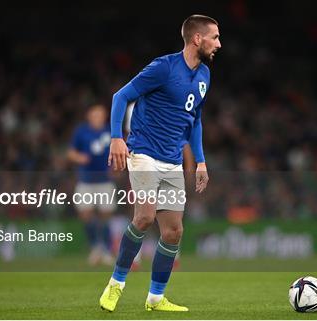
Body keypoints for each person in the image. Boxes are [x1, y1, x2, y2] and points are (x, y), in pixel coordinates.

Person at [99, 14, 221, 312]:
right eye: (214, 37)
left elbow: (196, 121)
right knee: (144, 217)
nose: (219, 44)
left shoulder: (204, 75)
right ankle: (116, 284)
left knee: (173, 231)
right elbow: (121, 96)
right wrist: (116, 137)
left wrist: (201, 162)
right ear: (197, 39)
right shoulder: (163, 67)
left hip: (172, 161)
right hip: (143, 153)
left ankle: (155, 297)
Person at [68, 104, 116, 265]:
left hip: (105, 181)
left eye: (100, 114)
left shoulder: (110, 131)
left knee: (105, 216)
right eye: (94, 114)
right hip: (86, 180)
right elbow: (71, 153)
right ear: (89, 116)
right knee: (85, 214)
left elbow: (120, 150)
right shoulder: (81, 131)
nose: (97, 117)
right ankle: (95, 246)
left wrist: (115, 167)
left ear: (104, 116)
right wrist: (79, 158)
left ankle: (106, 250)